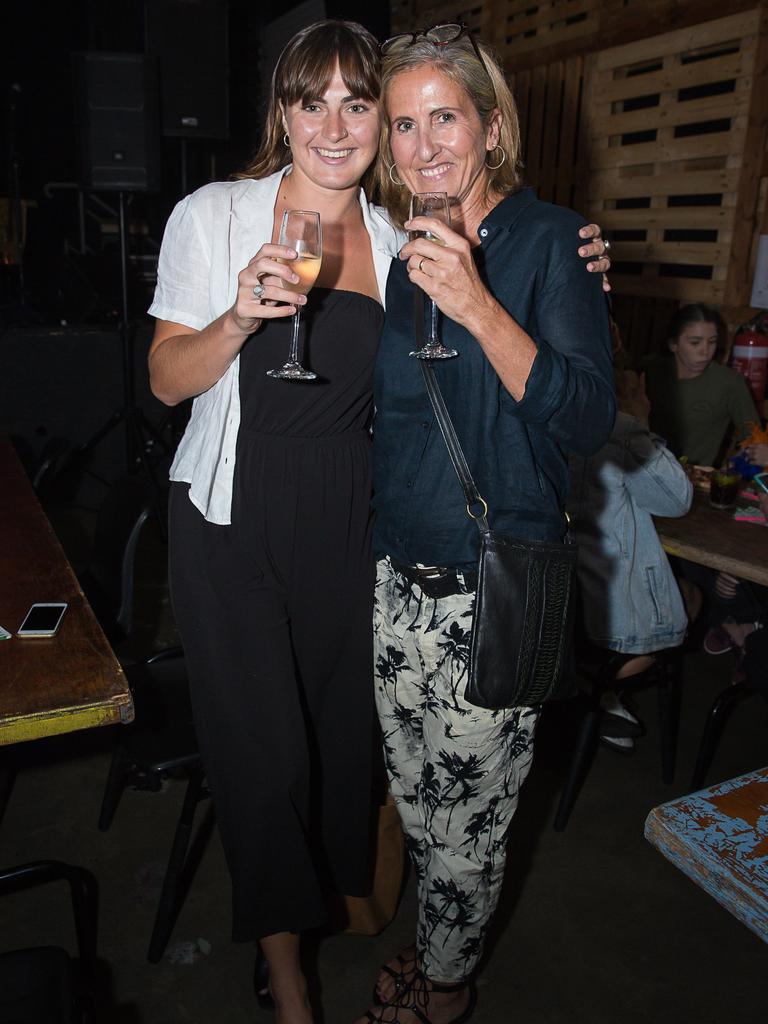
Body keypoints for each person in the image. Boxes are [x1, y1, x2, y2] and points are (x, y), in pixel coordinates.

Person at [147, 20, 610, 1022]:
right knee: (267, 755)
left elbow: (546, 383)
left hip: (366, 539)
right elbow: (165, 378)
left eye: (365, 105)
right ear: (282, 113)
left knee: (347, 755)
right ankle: (290, 978)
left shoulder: (407, 239)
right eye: (316, 101)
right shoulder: (217, 214)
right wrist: (236, 319)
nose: (342, 125)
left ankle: (406, 952)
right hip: (254, 525)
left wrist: (557, 270)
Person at [359, 25, 615, 1024]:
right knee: (423, 811)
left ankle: (448, 991)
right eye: (404, 124)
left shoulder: (553, 242)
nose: (424, 144)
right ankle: (432, 952)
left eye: (445, 117)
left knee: (470, 830)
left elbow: (588, 417)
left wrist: (476, 302)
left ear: (492, 125)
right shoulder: (399, 264)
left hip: (490, 586)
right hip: (397, 582)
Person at [568, 332, 693, 752]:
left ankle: (595, 695)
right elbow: (678, 499)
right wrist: (641, 418)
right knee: (691, 597)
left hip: (558, 606)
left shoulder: (540, 410)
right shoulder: (620, 429)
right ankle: (599, 695)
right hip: (611, 616)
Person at [643, 303, 758, 467]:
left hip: (694, 479)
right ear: (673, 344)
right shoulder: (647, 372)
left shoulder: (729, 383)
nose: (705, 351)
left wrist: (735, 467)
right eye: (695, 342)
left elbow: (756, 441)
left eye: (712, 342)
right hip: (641, 472)